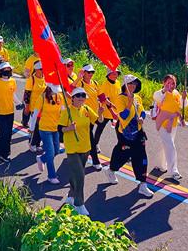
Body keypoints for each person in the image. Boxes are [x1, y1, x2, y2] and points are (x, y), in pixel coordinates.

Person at [103, 75, 154, 197]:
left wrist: (141, 118)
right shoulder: (121, 99)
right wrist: (129, 103)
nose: (132, 85)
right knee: (122, 155)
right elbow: (123, 117)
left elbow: (141, 111)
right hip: (125, 134)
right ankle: (111, 170)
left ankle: (143, 184)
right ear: (124, 85)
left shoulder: (137, 98)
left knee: (141, 157)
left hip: (138, 133)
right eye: (130, 83)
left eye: (135, 84)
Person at [59, 86, 104, 216]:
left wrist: (100, 113)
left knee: (75, 175)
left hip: (86, 147)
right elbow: (60, 129)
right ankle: (79, 204)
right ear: (72, 98)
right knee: (80, 175)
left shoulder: (86, 109)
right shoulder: (67, 111)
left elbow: (99, 121)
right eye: (78, 96)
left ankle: (71, 196)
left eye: (83, 96)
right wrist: (69, 128)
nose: (81, 98)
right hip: (72, 148)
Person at [151, 74, 187, 180]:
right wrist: (164, 90)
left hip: (173, 123)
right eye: (169, 82)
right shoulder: (161, 93)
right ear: (164, 83)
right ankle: (173, 171)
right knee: (170, 146)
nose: (171, 84)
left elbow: (182, 105)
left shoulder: (176, 93)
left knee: (165, 144)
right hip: (162, 123)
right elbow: (156, 97)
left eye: (173, 82)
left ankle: (159, 165)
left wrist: (183, 98)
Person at [29, 83, 65, 184]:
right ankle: (51, 176)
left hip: (55, 128)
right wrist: (31, 128)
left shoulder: (60, 97)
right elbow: (35, 114)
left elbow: (63, 111)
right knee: (50, 153)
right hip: (45, 129)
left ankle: (41, 158)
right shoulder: (42, 98)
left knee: (56, 151)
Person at [92, 67, 122, 170]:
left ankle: (123, 148)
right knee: (100, 129)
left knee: (119, 131)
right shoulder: (105, 84)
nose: (115, 75)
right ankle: (95, 144)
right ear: (108, 74)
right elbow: (106, 100)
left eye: (116, 73)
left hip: (116, 112)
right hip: (106, 112)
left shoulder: (118, 83)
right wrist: (112, 112)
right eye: (113, 73)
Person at [0, 61, 17, 163]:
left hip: (10, 111)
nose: (7, 71)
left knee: (9, 134)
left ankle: (5, 155)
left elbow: (13, 96)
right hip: (0, 112)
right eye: (5, 69)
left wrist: (19, 103)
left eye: (8, 69)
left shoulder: (13, 81)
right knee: (3, 133)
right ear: (1, 71)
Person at [26, 61, 47, 152]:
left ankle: (37, 143)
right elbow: (27, 95)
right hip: (34, 106)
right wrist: (27, 108)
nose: (43, 71)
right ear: (36, 70)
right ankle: (32, 143)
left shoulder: (45, 78)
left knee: (41, 126)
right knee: (36, 126)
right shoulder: (31, 80)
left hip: (43, 107)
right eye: (41, 69)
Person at [21, 51, 41, 127]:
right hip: (32, 83)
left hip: (40, 83)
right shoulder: (30, 59)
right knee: (27, 103)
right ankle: (25, 120)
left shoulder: (43, 57)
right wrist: (31, 80)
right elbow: (26, 71)